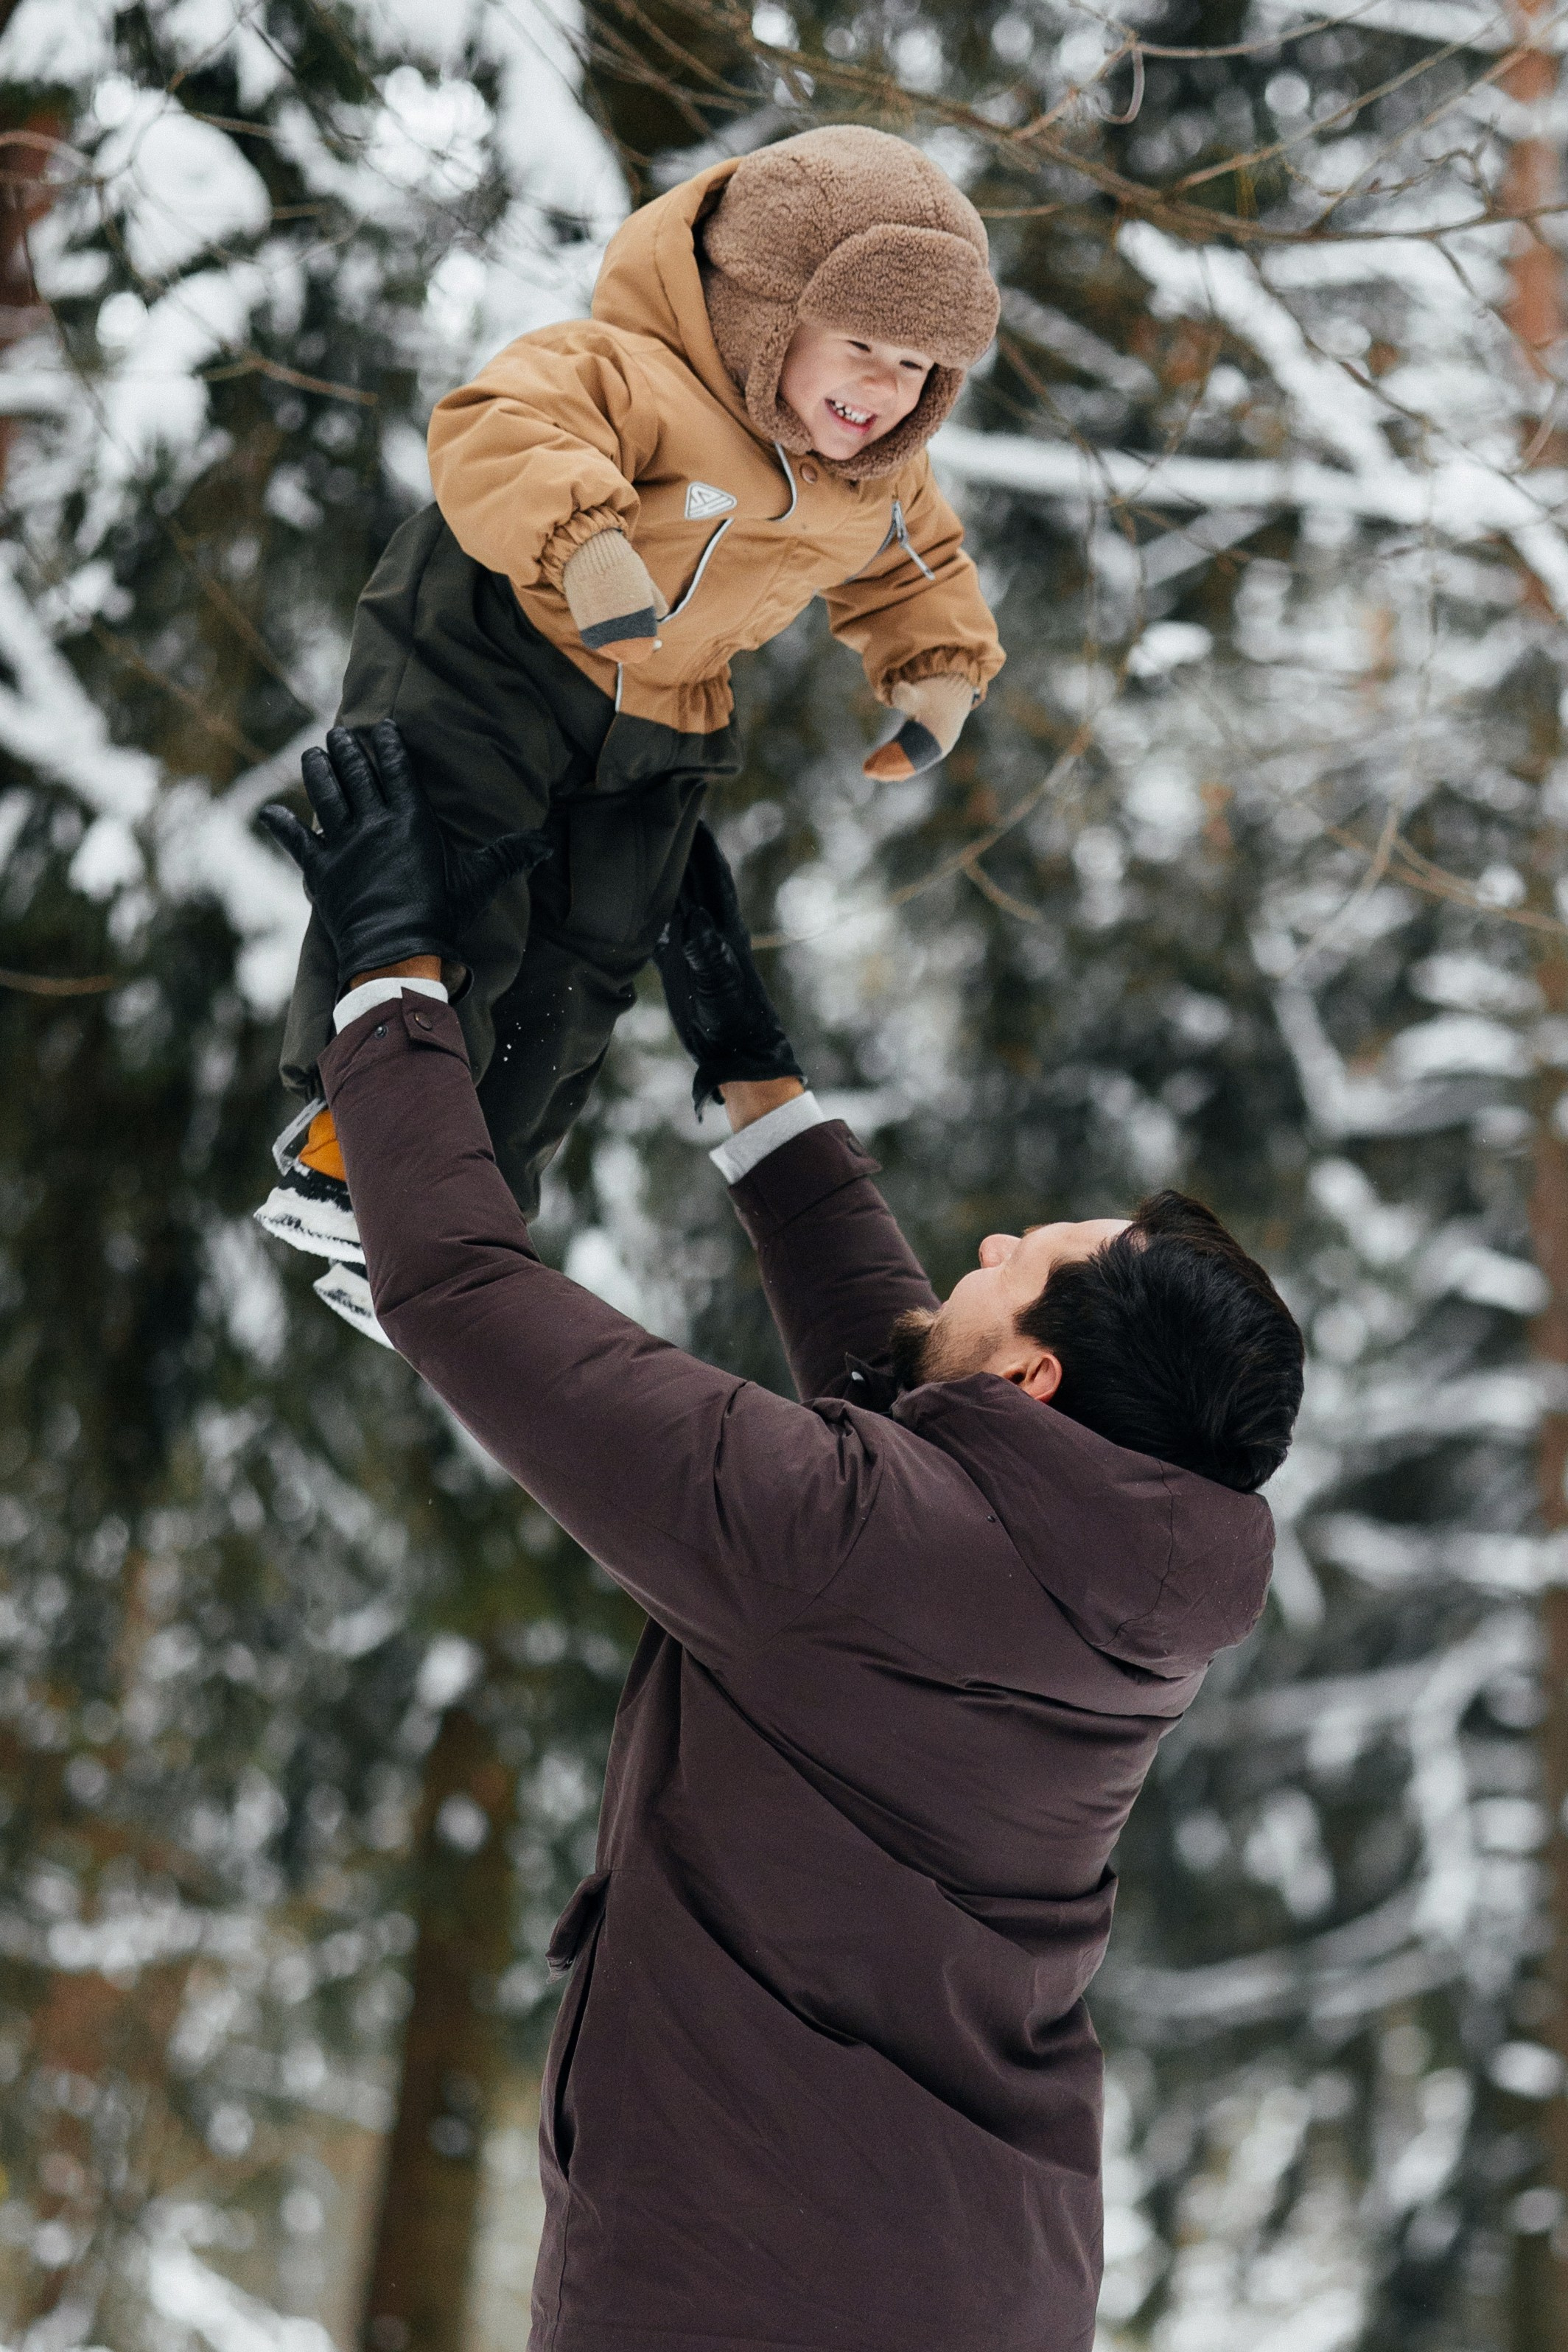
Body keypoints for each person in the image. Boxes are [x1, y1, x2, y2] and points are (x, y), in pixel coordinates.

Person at [258, 724, 1304, 2352]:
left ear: (1036, 1375)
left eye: (1024, 1256)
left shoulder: (862, 1548)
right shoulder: (1119, 1601)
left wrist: (387, 976)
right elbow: (915, 1458)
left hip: (743, 2288)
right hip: (951, 2275)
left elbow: (460, 1291)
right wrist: (751, 1067)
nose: (988, 1239)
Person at [256, 124, 1004, 1340]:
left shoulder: (877, 480)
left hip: (665, 701)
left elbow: (920, 568)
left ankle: (474, 1194)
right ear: (766, 312)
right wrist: (584, 544)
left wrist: (939, 673)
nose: (884, 389)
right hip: (492, 637)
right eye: (862, 344)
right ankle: (354, 1149)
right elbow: (498, 428)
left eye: (920, 366)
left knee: (596, 951)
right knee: (447, 872)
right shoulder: (630, 370)